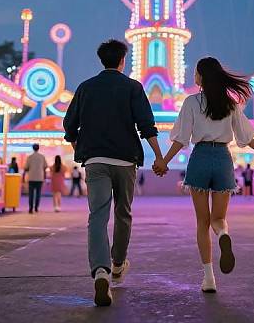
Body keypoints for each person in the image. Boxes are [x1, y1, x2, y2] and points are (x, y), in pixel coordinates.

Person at [153, 57, 254, 293]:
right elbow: (246, 137)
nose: (193, 77)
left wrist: (164, 162)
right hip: (222, 159)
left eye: (196, 73)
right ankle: (223, 235)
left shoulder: (191, 102)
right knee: (218, 219)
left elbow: (180, 139)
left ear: (201, 77)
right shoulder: (230, 104)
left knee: (202, 222)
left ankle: (209, 279)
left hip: (199, 158)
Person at [64, 39, 164, 307]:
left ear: (102, 60)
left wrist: (81, 147)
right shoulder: (133, 87)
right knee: (123, 213)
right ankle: (118, 263)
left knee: (97, 216)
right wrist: (159, 156)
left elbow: (69, 126)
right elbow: (147, 125)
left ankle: (101, 272)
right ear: (122, 61)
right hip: (125, 161)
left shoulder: (85, 88)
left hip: (95, 161)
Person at [23, 143, 48, 214]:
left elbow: (26, 167)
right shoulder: (42, 157)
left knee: (31, 194)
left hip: (31, 178)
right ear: (38, 148)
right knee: (38, 193)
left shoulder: (29, 157)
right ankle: (36, 208)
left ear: (33, 148)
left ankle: (30, 208)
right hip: (40, 178)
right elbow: (45, 167)